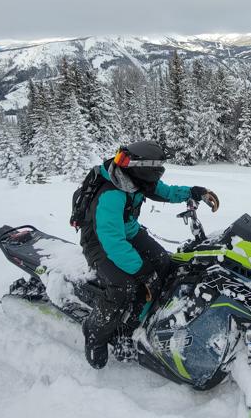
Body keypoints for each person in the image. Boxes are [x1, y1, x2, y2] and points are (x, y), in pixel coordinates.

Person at [79, 140, 219, 369]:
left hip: (127, 232)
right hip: (99, 243)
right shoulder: (111, 195)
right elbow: (113, 243)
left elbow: (165, 191)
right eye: (157, 168)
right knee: (124, 286)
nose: (159, 173)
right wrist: (141, 270)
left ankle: (138, 320)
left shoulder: (136, 179)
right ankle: (95, 334)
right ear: (144, 168)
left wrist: (194, 192)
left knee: (164, 263)